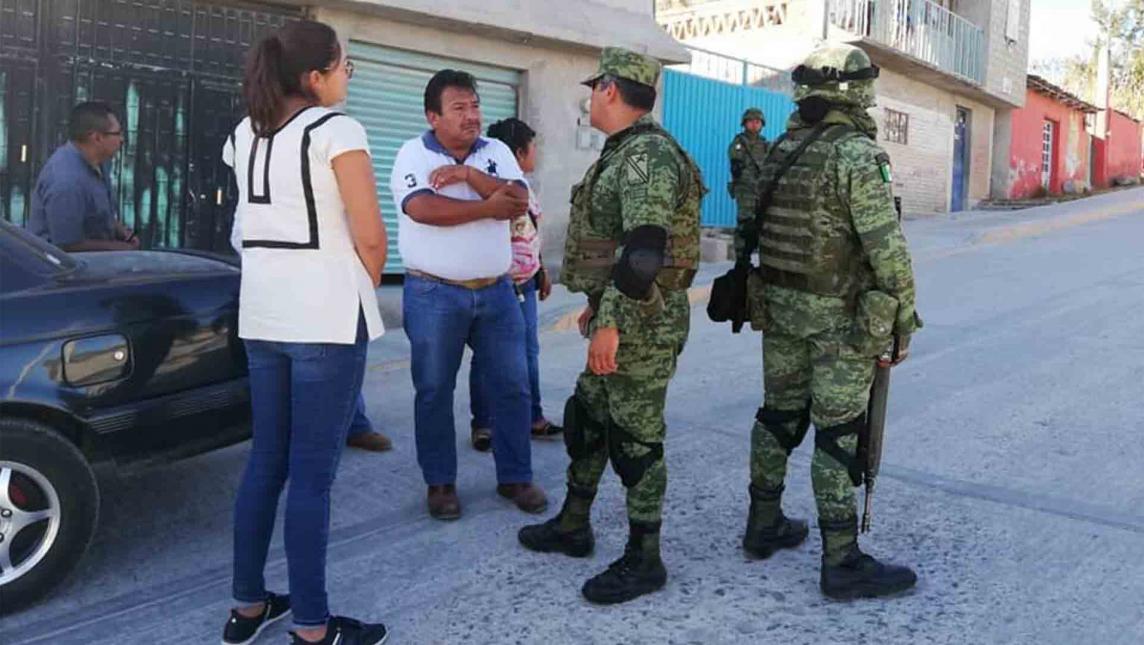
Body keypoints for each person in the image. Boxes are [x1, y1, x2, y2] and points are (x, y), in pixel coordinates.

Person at [221, 21, 389, 645]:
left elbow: (245, 228)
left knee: (266, 461)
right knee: (313, 476)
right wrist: (355, 285)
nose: (349, 76)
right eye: (346, 65)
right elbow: (371, 235)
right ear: (315, 77)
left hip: (263, 316)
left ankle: (247, 607)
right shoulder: (337, 129)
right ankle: (314, 630)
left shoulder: (245, 134)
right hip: (324, 319)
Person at [517, 47, 703, 605]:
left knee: (637, 440)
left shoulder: (647, 156)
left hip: (643, 321)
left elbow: (645, 252)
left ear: (611, 91)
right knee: (590, 416)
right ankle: (575, 524)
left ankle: (645, 559)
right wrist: (600, 307)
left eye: (594, 87)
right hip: (621, 311)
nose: (589, 97)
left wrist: (612, 323)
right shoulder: (624, 151)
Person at [736, 43, 921, 600]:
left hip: (782, 307)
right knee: (838, 433)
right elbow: (886, 249)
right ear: (851, 90)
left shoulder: (781, 147)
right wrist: (904, 317)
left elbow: (749, 224)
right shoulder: (855, 154)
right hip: (839, 320)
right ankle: (841, 559)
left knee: (778, 417)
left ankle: (762, 523)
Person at [390, 69, 547, 521]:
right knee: (435, 389)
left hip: (497, 293)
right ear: (433, 116)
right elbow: (422, 208)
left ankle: (515, 477)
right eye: (458, 108)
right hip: (434, 294)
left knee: (513, 386)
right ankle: (440, 484)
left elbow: (517, 199)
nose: (471, 116)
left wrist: (466, 175)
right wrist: (486, 207)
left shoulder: (496, 150)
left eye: (475, 106)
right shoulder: (412, 154)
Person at [230, 217, 393, 453]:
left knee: (337, 363)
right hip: (293, 292)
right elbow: (241, 237)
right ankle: (326, 430)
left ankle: (354, 425)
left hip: (319, 289)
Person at [468, 117, 561, 452]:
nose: (536, 153)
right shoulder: (493, 187)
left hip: (527, 282)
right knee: (486, 356)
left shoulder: (525, 186)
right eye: (533, 147)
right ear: (519, 152)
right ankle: (483, 423)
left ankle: (533, 416)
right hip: (500, 285)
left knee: (528, 353)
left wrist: (541, 271)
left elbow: (530, 233)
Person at [28, 101, 139, 251]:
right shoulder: (66, 180)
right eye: (117, 133)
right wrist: (122, 249)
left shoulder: (97, 163)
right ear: (97, 138)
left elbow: (102, 216)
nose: (122, 140)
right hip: (65, 269)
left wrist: (125, 234)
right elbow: (67, 246)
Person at [727, 107, 767, 259]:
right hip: (745, 190)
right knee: (745, 223)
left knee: (762, 223)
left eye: (757, 122)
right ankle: (742, 256)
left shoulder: (765, 144)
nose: (754, 125)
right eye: (751, 122)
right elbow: (735, 164)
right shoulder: (739, 143)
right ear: (744, 124)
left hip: (761, 190)